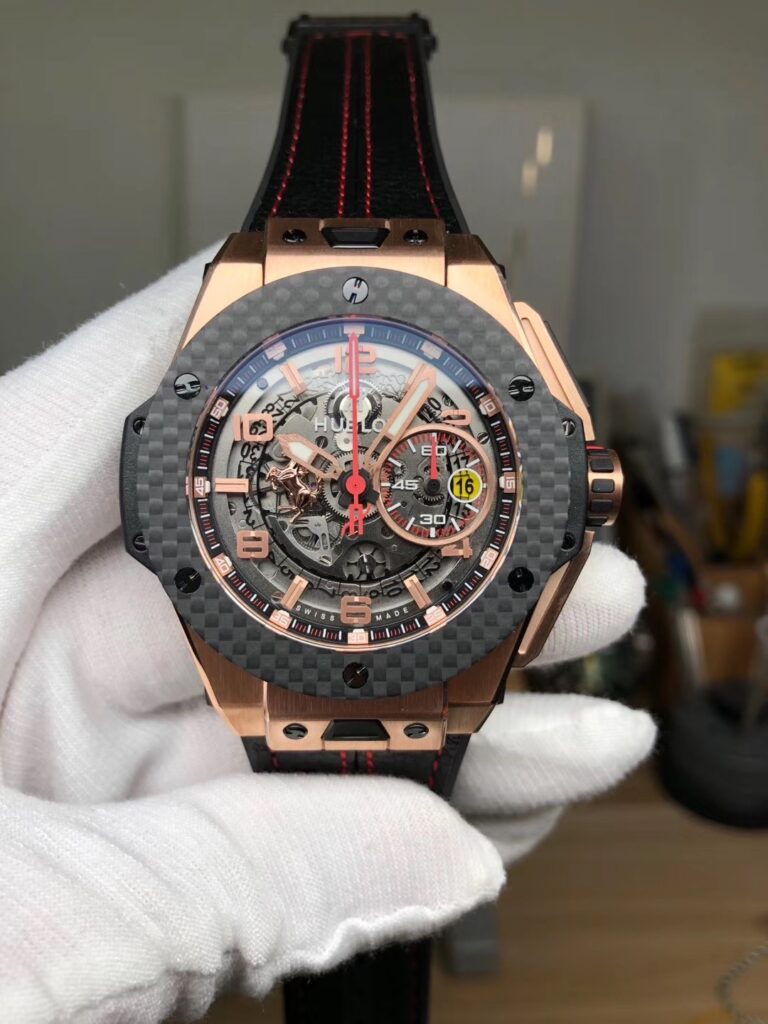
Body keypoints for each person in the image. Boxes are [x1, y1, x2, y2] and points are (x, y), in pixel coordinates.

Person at [0, 246, 654, 1023]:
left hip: (350, 625)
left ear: (578, 481)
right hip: (354, 624)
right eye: (343, 477)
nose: (357, 486)